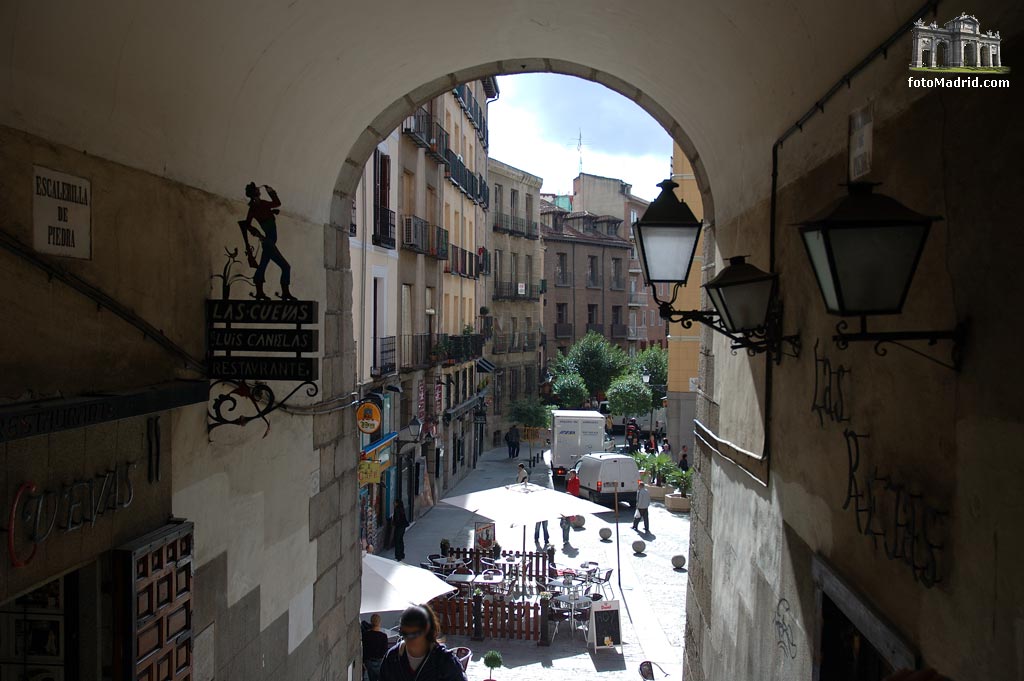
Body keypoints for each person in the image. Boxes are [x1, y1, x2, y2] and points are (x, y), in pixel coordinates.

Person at [379, 604, 467, 681]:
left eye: (414, 634)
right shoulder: (392, 657)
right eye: (404, 633)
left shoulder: (445, 661)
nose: (408, 638)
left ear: (426, 630)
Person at [239, 182, 294, 301]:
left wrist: (271, 214)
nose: (259, 190)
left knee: (263, 265)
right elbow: (277, 203)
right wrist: (271, 192)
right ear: (255, 193)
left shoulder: (253, 208)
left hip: (268, 241)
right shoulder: (262, 204)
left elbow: (248, 224)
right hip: (269, 241)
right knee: (285, 267)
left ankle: (260, 291)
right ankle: (285, 292)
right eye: (257, 190)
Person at [362, 613, 389, 681]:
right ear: (379, 622)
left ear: (371, 622)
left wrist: (363, 662)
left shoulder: (366, 635)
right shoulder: (383, 636)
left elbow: (364, 650)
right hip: (380, 663)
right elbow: (385, 652)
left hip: (369, 663)